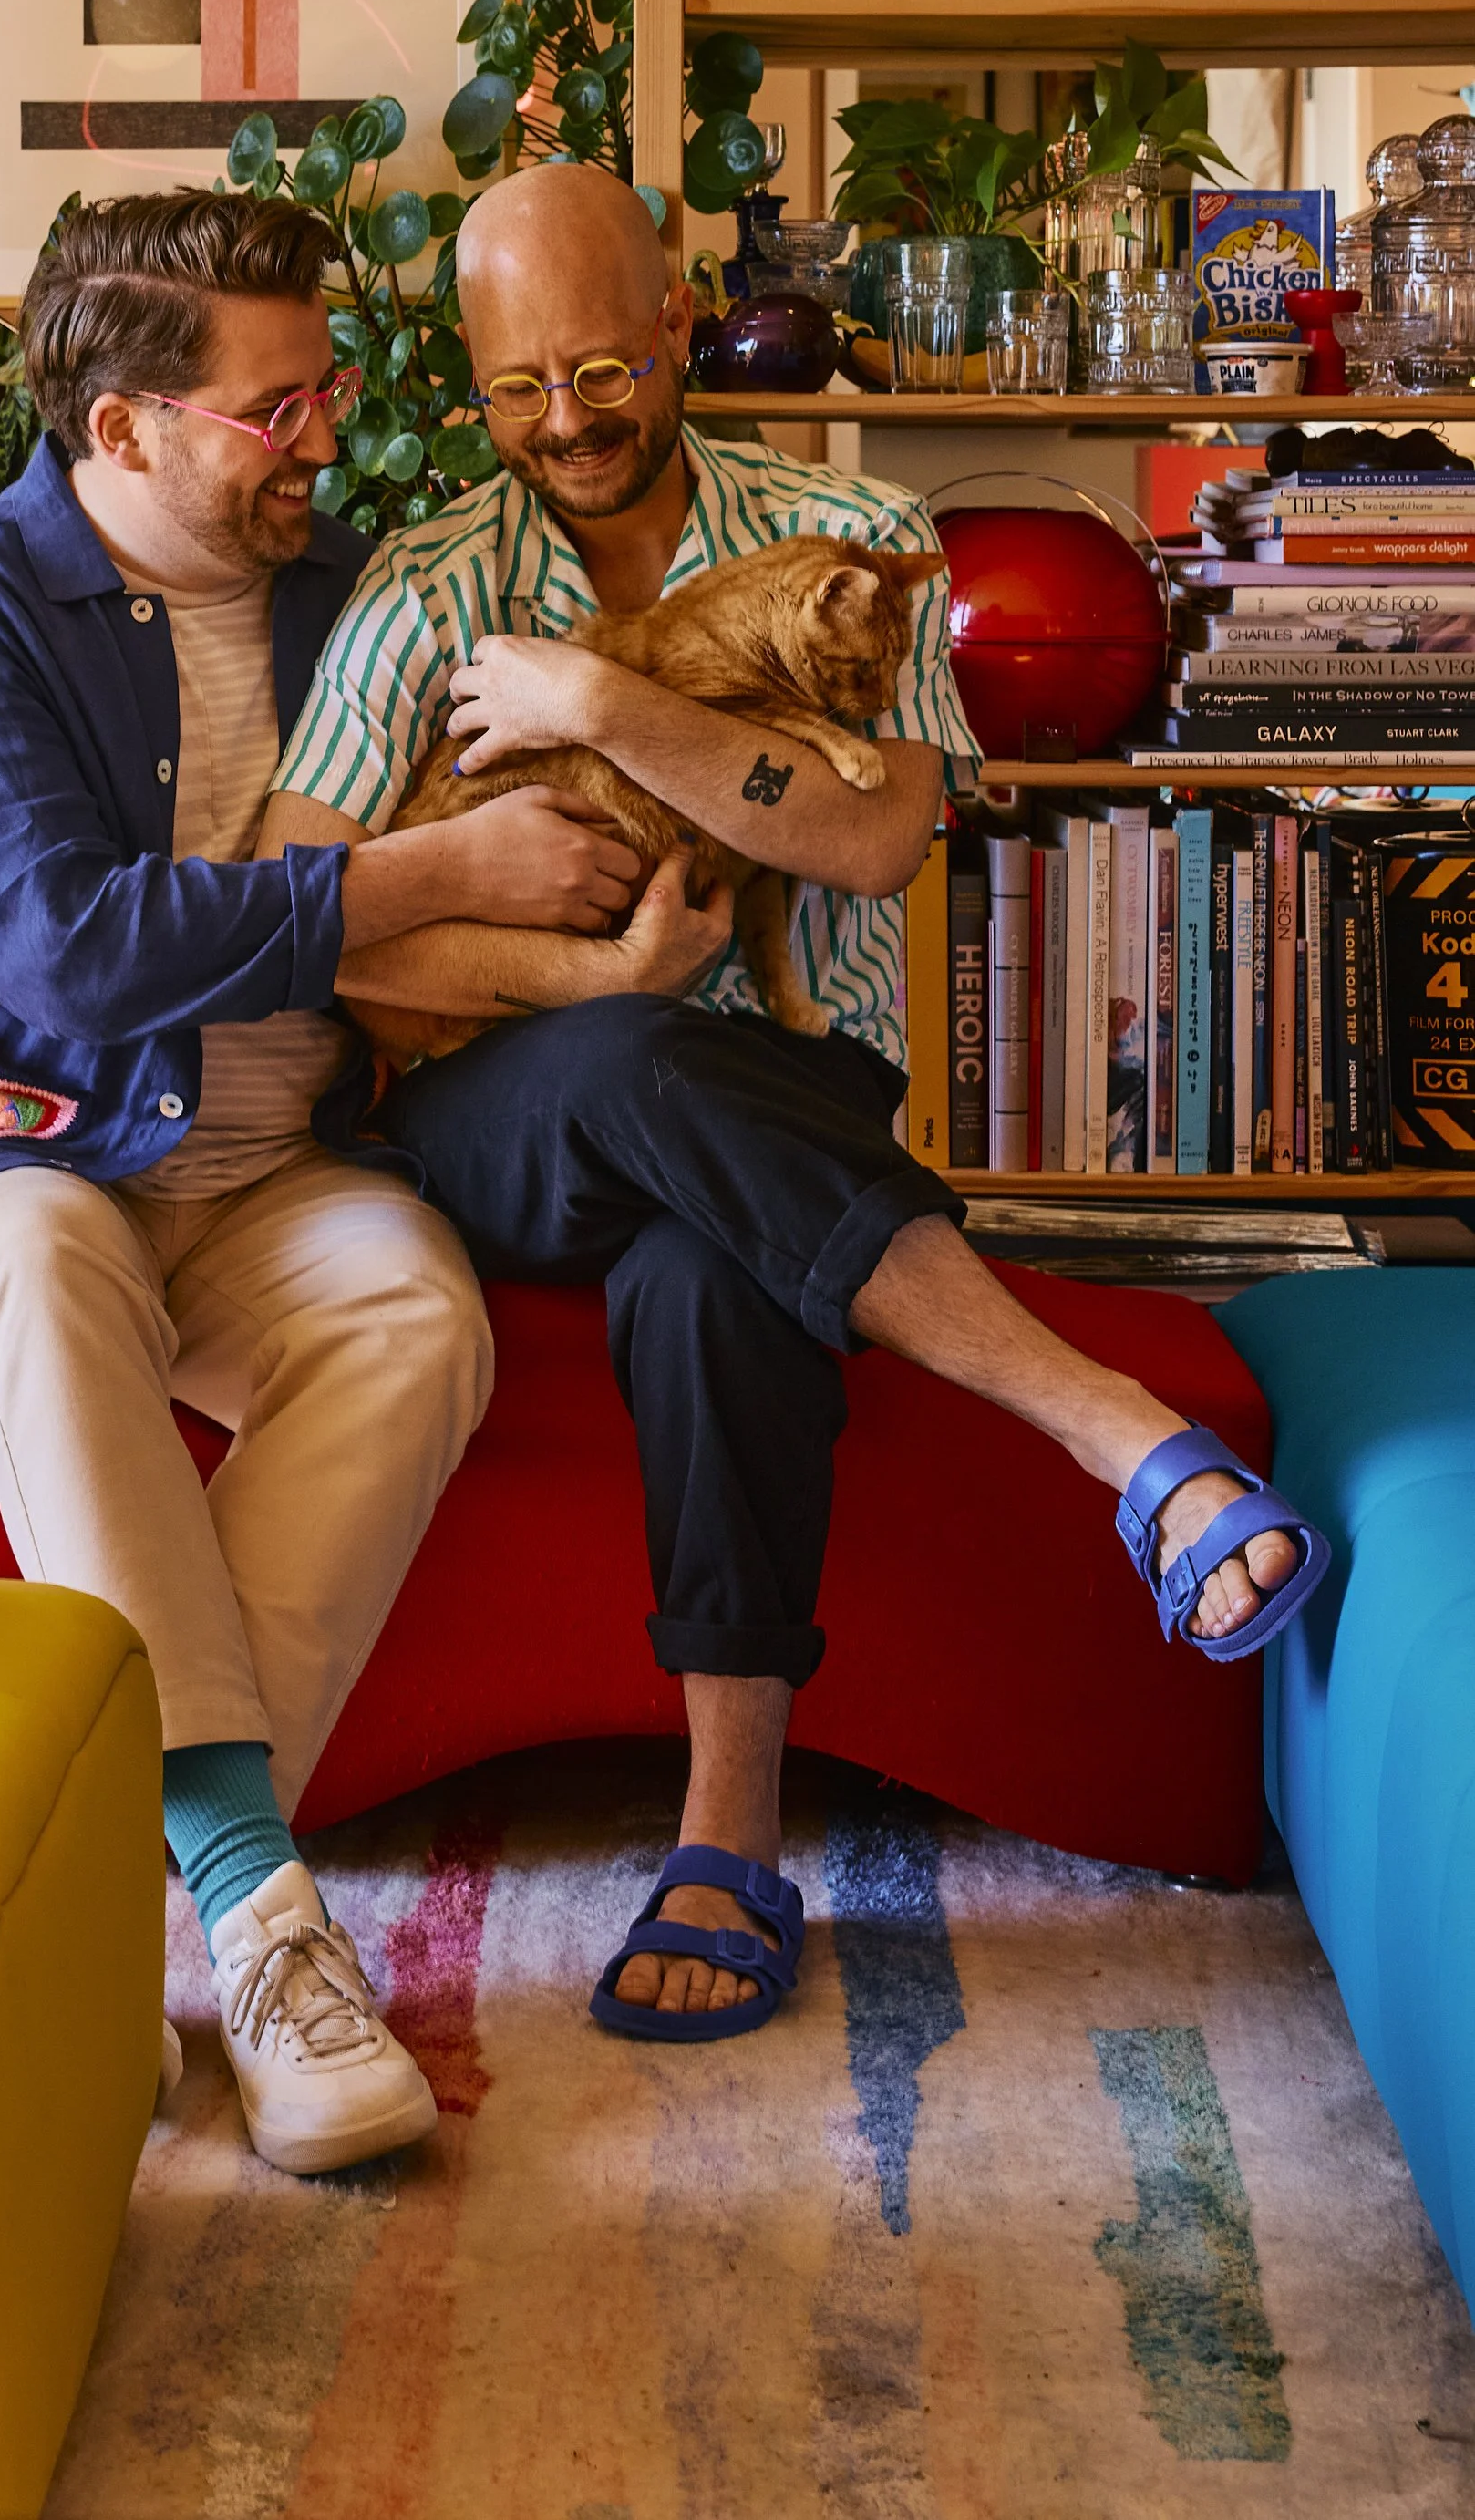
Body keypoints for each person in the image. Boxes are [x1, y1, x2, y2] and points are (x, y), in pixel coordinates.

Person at [263, 161, 1331, 2049]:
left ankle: (724, 1834)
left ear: (677, 318)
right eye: (516, 388)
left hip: (774, 1081)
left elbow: (867, 832)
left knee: (701, 1264)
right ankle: (1110, 1431)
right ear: (470, 381)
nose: (562, 422)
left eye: (596, 366)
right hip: (491, 1096)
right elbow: (306, 924)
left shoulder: (841, 533)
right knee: (613, 1053)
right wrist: (568, 961)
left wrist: (601, 703)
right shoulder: (421, 582)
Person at [0, 188, 689, 2174]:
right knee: (42, 1263)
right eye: (270, 410)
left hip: (285, 1159)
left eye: (330, 389)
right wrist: (429, 878)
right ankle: (270, 1924)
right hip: (8, 1133)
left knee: (412, 1309)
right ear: (120, 427)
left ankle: (110, 1914)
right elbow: (64, 947)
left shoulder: (356, 596)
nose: (324, 439)